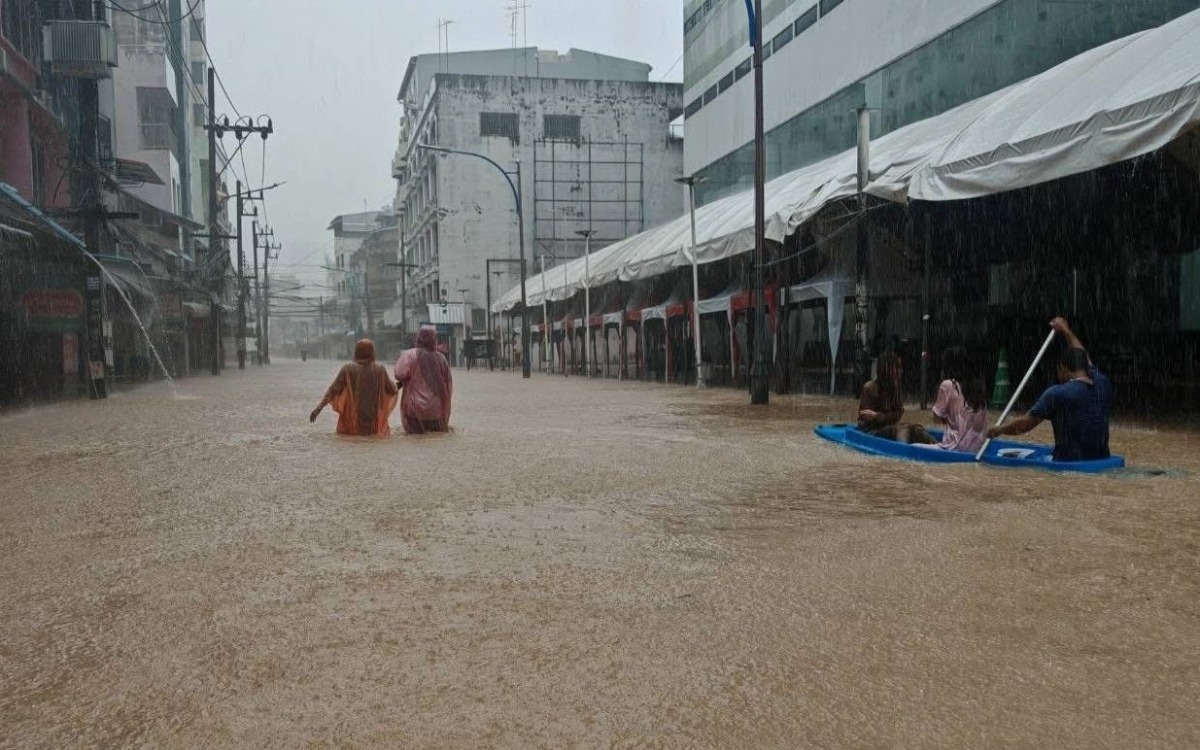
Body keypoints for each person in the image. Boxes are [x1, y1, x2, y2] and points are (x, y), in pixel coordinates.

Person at [987, 317, 1112, 461]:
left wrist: (999, 430)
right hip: (1101, 459)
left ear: (1063, 369)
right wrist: (1066, 331)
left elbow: (1024, 425)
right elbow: (1083, 357)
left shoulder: (1057, 393)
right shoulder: (1103, 384)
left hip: (1068, 462)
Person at [309, 339, 398, 436]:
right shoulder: (379, 370)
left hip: (352, 419)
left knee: (353, 441)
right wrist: (403, 383)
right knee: (372, 442)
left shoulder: (348, 369)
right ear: (372, 353)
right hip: (373, 420)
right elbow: (392, 389)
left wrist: (319, 408)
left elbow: (333, 390)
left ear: (356, 352)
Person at [857, 351, 937, 444]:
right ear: (887, 369)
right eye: (897, 368)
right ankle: (903, 451)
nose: (901, 371)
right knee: (902, 427)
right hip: (871, 432)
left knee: (915, 428)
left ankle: (938, 447)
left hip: (889, 427)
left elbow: (898, 413)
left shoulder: (895, 387)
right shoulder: (869, 387)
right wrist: (879, 417)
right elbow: (864, 421)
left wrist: (878, 416)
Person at [394, 325, 453, 434]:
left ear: (418, 338)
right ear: (434, 339)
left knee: (414, 440)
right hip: (437, 412)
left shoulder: (409, 355)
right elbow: (448, 384)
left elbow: (399, 375)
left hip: (414, 412)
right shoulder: (441, 358)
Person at [930, 346, 989, 452]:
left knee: (913, 443)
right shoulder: (979, 388)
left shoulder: (947, 385)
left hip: (953, 448)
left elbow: (936, 419)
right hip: (977, 451)